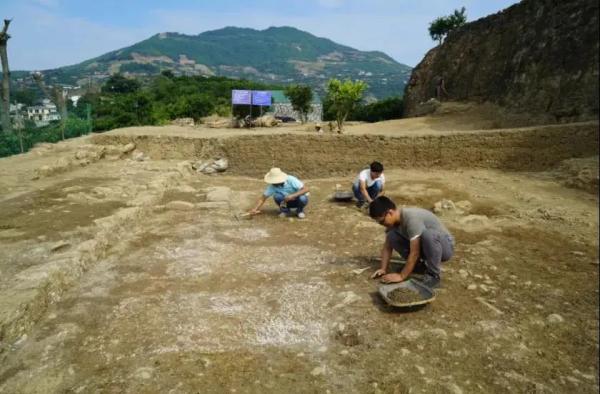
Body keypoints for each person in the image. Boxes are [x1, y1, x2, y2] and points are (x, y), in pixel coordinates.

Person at [369, 196, 454, 290]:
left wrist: (401, 276)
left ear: (390, 212)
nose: (381, 224)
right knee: (391, 235)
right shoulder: (393, 224)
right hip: (426, 247)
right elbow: (387, 247)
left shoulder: (411, 219)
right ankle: (418, 266)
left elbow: (415, 253)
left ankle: (433, 275)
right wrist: (383, 269)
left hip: (444, 248)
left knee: (428, 234)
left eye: (381, 221)